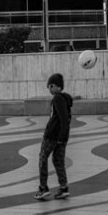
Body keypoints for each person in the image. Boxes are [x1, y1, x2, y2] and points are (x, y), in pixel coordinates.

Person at [34, 73, 73, 201]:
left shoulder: (57, 98)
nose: (49, 89)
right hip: (61, 137)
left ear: (58, 87)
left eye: (51, 86)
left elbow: (63, 119)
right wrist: (64, 136)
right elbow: (66, 118)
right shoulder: (66, 100)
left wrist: (61, 135)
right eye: (48, 86)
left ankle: (43, 188)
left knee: (42, 158)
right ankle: (63, 187)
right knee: (58, 161)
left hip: (51, 136)